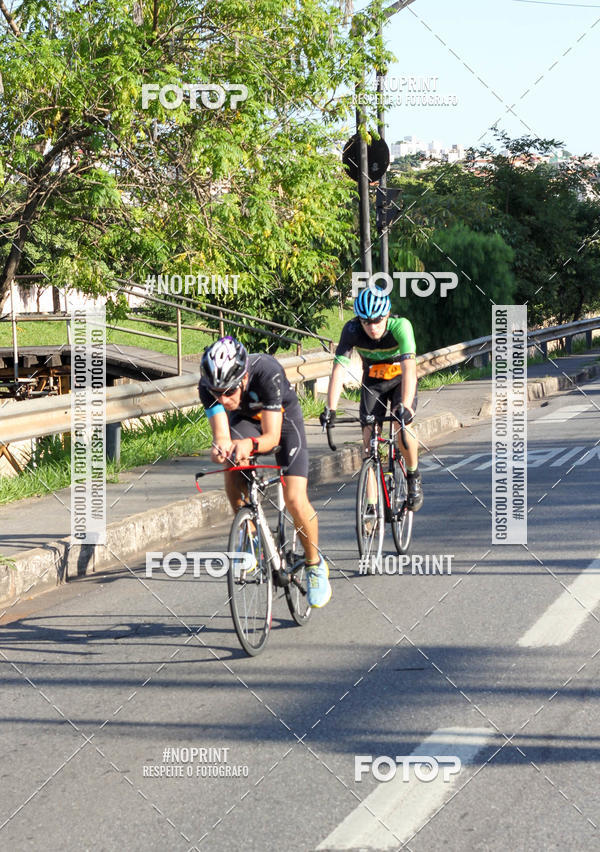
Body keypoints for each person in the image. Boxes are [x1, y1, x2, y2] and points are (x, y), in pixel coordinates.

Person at [198, 336, 331, 608]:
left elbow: (271, 437)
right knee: (231, 462)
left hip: (282, 422)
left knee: (294, 498)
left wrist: (249, 444)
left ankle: (315, 565)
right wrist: (221, 449)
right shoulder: (208, 387)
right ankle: (249, 536)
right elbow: (222, 437)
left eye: (229, 392)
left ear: (244, 378)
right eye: (216, 393)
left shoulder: (267, 372)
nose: (222, 399)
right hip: (246, 421)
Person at [319, 287, 423, 511]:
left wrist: (405, 407)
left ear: (387, 315)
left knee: (401, 424)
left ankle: (413, 476)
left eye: (377, 320)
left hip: (400, 381)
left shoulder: (401, 327)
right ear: (359, 320)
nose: (373, 327)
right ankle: (371, 507)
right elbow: (339, 370)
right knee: (369, 442)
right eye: (366, 322)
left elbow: (410, 371)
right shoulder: (351, 330)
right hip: (373, 383)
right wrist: (331, 409)